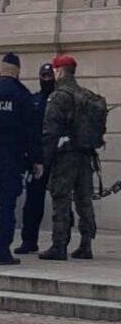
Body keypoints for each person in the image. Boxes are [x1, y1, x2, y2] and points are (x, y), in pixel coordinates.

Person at [0, 53, 42, 265]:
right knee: (7, 205)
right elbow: (32, 132)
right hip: (11, 159)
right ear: (18, 72)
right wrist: (36, 160)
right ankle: (2, 251)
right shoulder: (22, 96)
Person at [40, 55, 102, 261]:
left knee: (61, 198)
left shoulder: (59, 97)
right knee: (84, 199)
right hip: (86, 154)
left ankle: (59, 245)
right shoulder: (86, 95)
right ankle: (86, 244)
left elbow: (50, 131)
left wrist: (44, 159)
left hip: (65, 156)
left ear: (59, 71)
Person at [16, 63, 55, 254]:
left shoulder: (61, 99)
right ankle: (29, 240)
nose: (46, 80)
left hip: (59, 157)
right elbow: (27, 130)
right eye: (44, 76)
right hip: (37, 158)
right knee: (32, 202)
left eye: (49, 76)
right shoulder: (34, 100)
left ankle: (60, 242)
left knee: (61, 202)